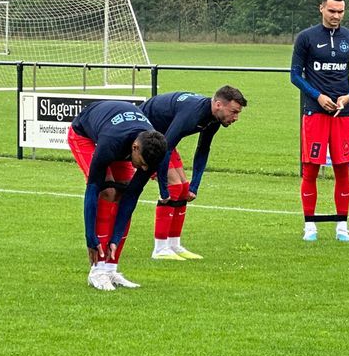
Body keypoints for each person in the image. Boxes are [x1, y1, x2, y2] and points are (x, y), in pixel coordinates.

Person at [67, 100, 167, 291]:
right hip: (84, 135)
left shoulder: (153, 153)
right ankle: (97, 272)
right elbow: (92, 189)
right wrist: (90, 238)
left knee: (122, 193)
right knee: (107, 192)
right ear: (135, 148)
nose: (143, 168)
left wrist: (116, 237)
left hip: (120, 138)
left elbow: (131, 197)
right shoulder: (111, 142)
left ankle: (110, 269)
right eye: (142, 163)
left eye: (147, 166)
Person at [291, 0, 349, 242]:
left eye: (341, 11)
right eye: (332, 10)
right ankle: (310, 226)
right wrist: (318, 96)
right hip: (315, 113)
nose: (336, 16)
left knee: (342, 169)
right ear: (321, 8)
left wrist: (348, 96)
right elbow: (295, 75)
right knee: (311, 169)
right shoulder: (306, 38)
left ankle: (342, 227)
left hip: (342, 115)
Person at [139, 86, 247, 259]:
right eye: (233, 112)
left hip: (161, 138)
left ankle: (174, 245)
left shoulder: (214, 119)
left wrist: (194, 185)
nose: (236, 118)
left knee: (183, 188)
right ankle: (159, 249)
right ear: (218, 105)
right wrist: (163, 189)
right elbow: (166, 149)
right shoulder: (192, 114)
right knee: (174, 187)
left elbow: (203, 149)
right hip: (143, 136)